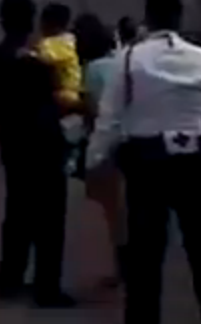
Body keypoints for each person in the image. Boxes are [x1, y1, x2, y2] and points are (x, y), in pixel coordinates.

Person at [87, 0, 201, 324]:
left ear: (148, 17)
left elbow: (110, 117)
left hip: (147, 163)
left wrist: (95, 159)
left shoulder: (127, 60)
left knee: (145, 256)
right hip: (195, 161)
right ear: (179, 16)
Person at [0, 0, 76, 309]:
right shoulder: (43, 57)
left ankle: (9, 280)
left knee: (17, 212)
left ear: (2, 20)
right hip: (46, 143)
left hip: (14, 143)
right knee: (50, 218)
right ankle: (48, 288)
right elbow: (63, 99)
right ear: (32, 20)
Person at [77, 19, 127, 289]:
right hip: (134, 140)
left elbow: (93, 111)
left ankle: (123, 268)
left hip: (107, 144)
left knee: (115, 213)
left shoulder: (92, 70)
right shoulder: (123, 61)